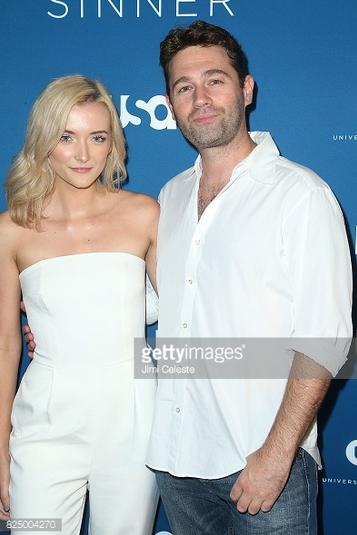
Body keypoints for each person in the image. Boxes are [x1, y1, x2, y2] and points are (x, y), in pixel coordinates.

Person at [144, 21, 353, 534]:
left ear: (247, 88)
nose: (201, 98)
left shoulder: (299, 194)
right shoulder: (169, 197)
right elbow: (157, 301)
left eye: (215, 80)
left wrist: (277, 454)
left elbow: (326, 337)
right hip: (177, 463)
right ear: (170, 103)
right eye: (183, 87)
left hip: (262, 466)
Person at [0, 75, 159, 534]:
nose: (83, 154)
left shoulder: (144, 214)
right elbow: (7, 348)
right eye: (66, 137)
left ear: (113, 143)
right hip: (43, 426)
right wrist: (0, 447)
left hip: (133, 420)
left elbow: (185, 313)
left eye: (98, 137)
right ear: (43, 141)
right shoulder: (12, 229)